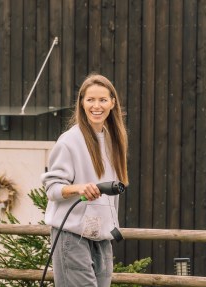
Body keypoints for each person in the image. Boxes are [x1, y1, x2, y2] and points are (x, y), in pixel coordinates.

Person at [41, 74, 128, 286]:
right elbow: (51, 188)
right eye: (90, 100)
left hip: (102, 237)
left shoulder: (113, 140)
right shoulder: (70, 140)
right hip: (72, 235)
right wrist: (80, 188)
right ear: (82, 103)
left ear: (112, 103)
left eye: (102, 100)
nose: (96, 106)